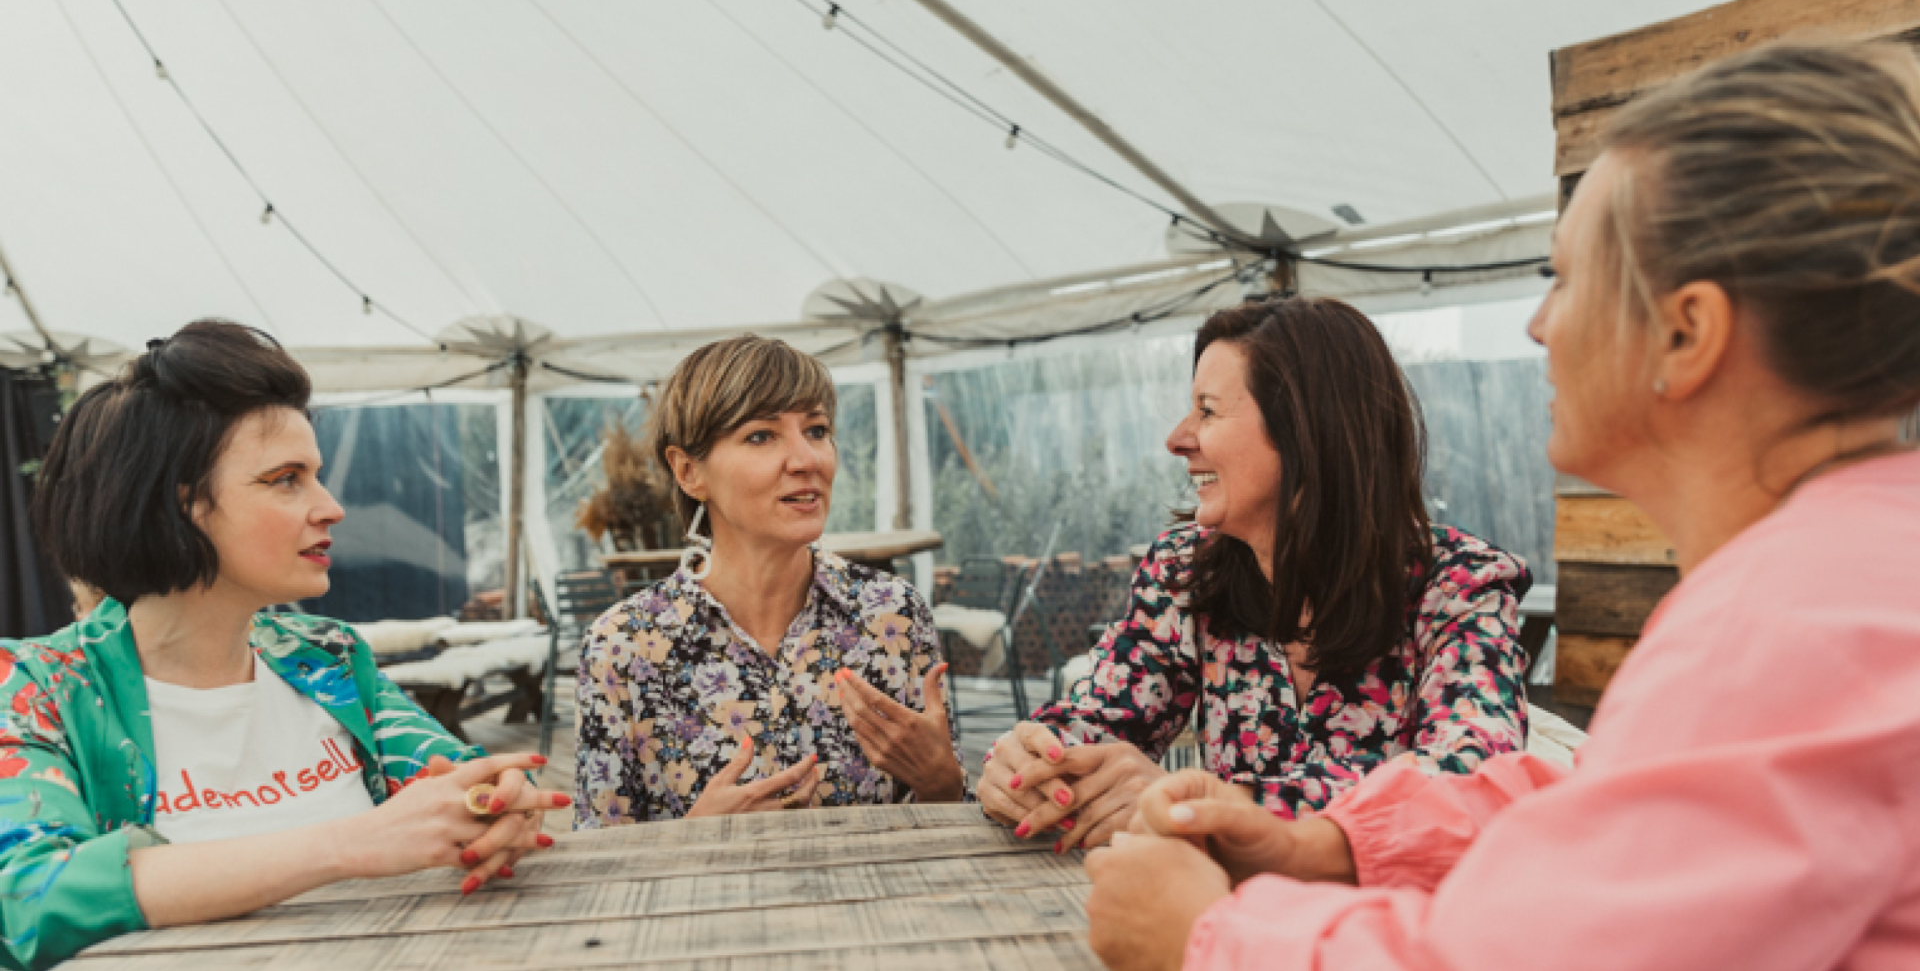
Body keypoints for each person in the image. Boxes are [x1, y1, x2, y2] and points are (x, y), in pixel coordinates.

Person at [1083, 39, 1920, 971]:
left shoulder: (1790, 630)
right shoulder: (1853, 576)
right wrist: (1330, 842)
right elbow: (1602, 810)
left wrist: (1208, 938)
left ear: (1686, 333)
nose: (1537, 325)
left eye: (1565, 277)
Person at [4, 320, 566, 970]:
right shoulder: (39, 687)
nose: (331, 507)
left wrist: (499, 799)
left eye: (317, 474)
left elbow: (456, 777)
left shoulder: (326, 655)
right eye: (285, 478)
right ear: (181, 505)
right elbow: (26, 898)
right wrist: (351, 844)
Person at [982, 298, 1533, 851]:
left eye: (1208, 411)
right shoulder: (1184, 573)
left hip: (1388, 929)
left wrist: (1214, 805)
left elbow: (1471, 788)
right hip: (1215, 919)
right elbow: (1097, 723)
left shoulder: (1461, 587)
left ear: (1306, 429)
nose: (1177, 438)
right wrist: (1033, 760)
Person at [574, 335, 965, 825]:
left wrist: (943, 782)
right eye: (762, 435)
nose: (807, 460)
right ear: (689, 471)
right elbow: (598, 861)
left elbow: (953, 823)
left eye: (817, 430)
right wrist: (690, 840)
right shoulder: (622, 647)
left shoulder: (894, 615)